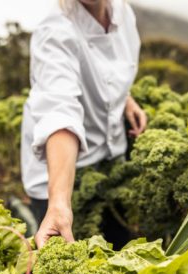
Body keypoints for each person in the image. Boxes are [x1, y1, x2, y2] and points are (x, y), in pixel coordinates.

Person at [21, 0, 147, 248]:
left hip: (108, 157)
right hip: (59, 171)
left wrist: (125, 99)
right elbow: (60, 111)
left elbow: (109, 70)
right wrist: (58, 203)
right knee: (68, 268)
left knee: (119, 244)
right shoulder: (54, 30)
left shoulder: (122, 13)